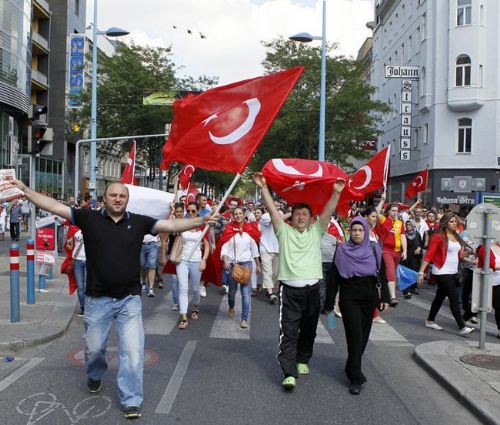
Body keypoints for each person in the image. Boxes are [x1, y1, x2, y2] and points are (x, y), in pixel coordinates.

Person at [13, 180, 217, 420]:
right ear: (104, 198)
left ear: (127, 199)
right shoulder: (88, 218)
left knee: (132, 351)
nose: (118, 199)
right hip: (97, 299)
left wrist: (201, 221)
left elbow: (171, 224)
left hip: (129, 300)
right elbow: (55, 206)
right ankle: (94, 373)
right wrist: (26, 191)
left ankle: (132, 400)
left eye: (122, 195)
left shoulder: (140, 221)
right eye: (113, 195)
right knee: (94, 348)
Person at [253, 172, 345, 391]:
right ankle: (288, 371)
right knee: (289, 330)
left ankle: (302, 359)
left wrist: (336, 192)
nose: (301, 217)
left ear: (311, 219)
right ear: (291, 217)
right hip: (290, 291)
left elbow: (328, 212)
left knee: (309, 329)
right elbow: (273, 213)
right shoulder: (283, 232)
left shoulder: (316, 232)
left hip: (313, 290)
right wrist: (264, 187)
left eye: (305, 214)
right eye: (297, 214)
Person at [325, 217, 382, 395]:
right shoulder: (342, 250)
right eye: (354, 230)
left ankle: (351, 366)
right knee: (355, 336)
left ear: (365, 231)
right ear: (349, 231)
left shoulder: (374, 248)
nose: (357, 233)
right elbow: (333, 277)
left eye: (360, 230)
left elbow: (382, 274)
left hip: (369, 297)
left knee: (363, 337)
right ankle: (355, 378)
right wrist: (328, 302)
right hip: (349, 297)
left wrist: (384, 298)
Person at [417, 212, 474, 336]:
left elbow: (458, 255)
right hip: (441, 271)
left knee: (439, 297)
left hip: (453, 271)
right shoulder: (438, 237)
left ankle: (430, 320)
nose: (454, 224)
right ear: (445, 223)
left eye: (455, 221)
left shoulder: (456, 235)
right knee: (453, 298)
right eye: (451, 221)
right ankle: (462, 326)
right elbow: (429, 255)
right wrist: (421, 272)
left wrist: (469, 255)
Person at [220, 206, 260, 329]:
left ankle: (244, 318)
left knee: (245, 293)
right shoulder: (229, 229)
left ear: (244, 215)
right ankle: (231, 306)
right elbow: (224, 247)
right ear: (233, 215)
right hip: (233, 265)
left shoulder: (249, 229)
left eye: (240, 213)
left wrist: (257, 264)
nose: (238, 215)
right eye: (235, 214)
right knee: (232, 291)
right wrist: (225, 260)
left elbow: (254, 248)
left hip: (247, 264)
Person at [176, 202, 209, 329]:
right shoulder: (182, 225)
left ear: (197, 212)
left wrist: (204, 260)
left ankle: (195, 306)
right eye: (188, 211)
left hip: (196, 260)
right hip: (182, 260)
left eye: (193, 211)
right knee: (183, 288)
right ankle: (183, 316)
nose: (190, 213)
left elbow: (206, 244)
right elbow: (170, 226)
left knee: (195, 288)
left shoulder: (202, 226)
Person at [377, 202, 407, 306]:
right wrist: (382, 200)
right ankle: (393, 297)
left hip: (397, 252)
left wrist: (405, 251)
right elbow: (376, 212)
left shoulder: (400, 223)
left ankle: (384, 294)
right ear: (388, 211)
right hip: (386, 251)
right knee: (391, 273)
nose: (395, 213)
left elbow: (403, 237)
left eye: (396, 211)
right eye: (393, 210)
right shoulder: (383, 220)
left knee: (390, 274)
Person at [476, 241, 500, 338]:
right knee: (478, 304)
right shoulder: (485, 248)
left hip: (498, 282)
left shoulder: (498, 248)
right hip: (488, 282)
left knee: (498, 307)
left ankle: (499, 330)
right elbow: (490, 265)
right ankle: (462, 320)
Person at [401, 220, 423, 299]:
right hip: (406, 256)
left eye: (410, 224)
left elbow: (421, 244)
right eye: (407, 224)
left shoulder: (417, 234)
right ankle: (407, 291)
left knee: (413, 273)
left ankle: (413, 288)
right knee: (406, 273)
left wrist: (419, 248)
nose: (408, 226)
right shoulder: (403, 234)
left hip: (415, 257)